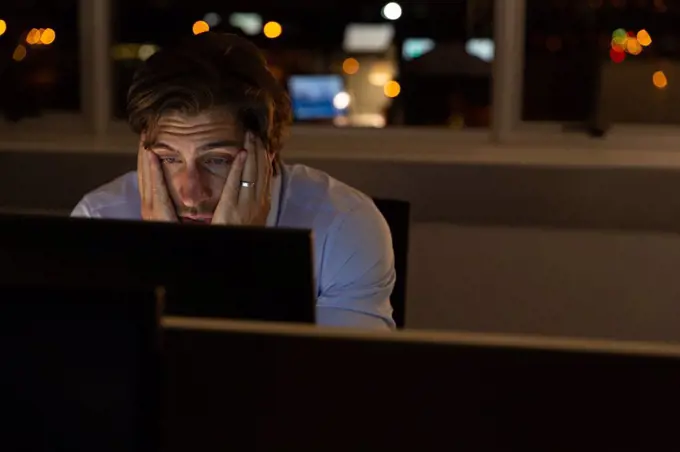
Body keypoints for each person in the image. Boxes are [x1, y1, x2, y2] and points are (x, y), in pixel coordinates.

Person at [71, 32, 395, 329]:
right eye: (169, 159)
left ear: (266, 153)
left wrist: (239, 258)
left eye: (216, 160)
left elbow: (339, 384)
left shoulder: (344, 225)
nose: (190, 193)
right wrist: (166, 254)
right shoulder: (97, 221)